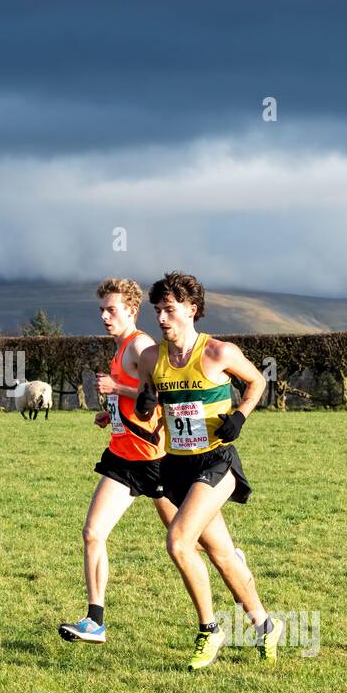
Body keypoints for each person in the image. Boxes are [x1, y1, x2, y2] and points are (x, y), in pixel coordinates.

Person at [134, 271, 283, 670]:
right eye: (158, 311)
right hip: (177, 466)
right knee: (220, 554)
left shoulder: (219, 353)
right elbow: (151, 401)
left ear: (191, 310)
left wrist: (241, 414)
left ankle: (208, 629)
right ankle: (266, 626)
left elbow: (256, 382)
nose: (161, 319)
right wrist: (147, 403)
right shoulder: (152, 358)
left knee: (179, 542)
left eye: (169, 310)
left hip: (217, 461)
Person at [59, 279, 170, 644]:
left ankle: (230, 556)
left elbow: (158, 395)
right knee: (92, 532)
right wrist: (113, 413)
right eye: (102, 310)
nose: (105, 316)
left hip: (155, 459)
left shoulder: (141, 344)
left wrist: (116, 389)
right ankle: (95, 621)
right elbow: (133, 401)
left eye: (112, 309)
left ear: (132, 311)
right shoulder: (121, 347)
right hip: (122, 457)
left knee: (187, 540)